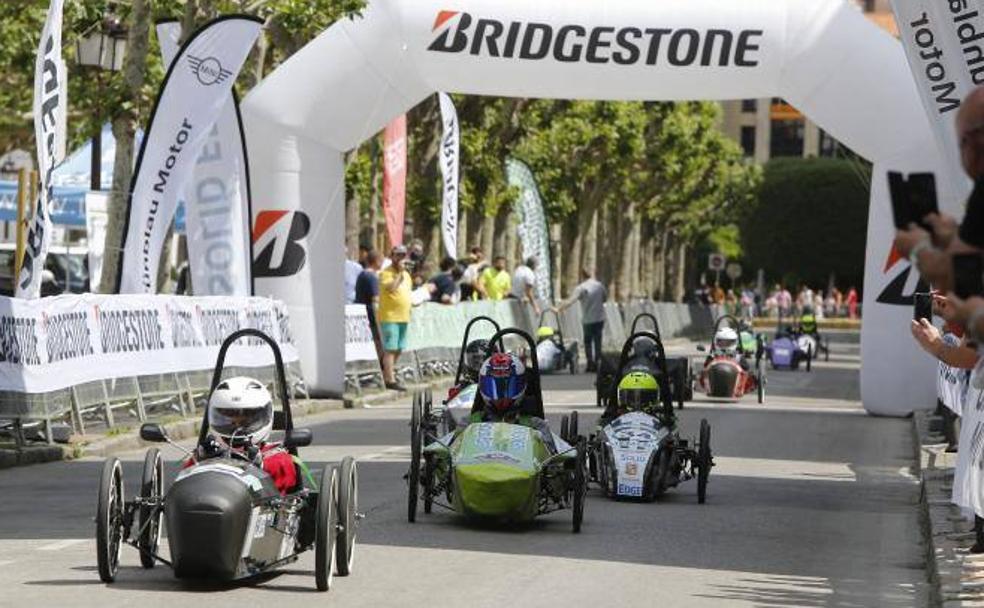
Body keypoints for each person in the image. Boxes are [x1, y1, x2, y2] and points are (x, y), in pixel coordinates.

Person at [183, 377, 306, 495]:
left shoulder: (275, 455)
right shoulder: (210, 451)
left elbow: (285, 475)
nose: (237, 428)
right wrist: (202, 461)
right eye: (230, 421)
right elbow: (185, 483)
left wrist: (259, 465)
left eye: (245, 422)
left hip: (262, 510)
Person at [471, 352, 556, 453]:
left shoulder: (536, 425)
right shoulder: (470, 423)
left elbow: (551, 454)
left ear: (522, 386)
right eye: (494, 388)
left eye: (508, 388)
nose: (501, 397)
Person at [556, 267, 608, 372]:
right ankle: (598, 362)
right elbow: (604, 298)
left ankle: (590, 364)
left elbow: (571, 301)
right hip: (599, 318)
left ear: (582, 275)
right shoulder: (599, 285)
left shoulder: (581, 288)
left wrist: (558, 309)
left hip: (588, 319)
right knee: (598, 341)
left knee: (588, 342)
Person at [378, 244, 413, 391]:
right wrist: (399, 273)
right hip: (390, 316)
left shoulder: (407, 275)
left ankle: (386, 370)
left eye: (403, 255)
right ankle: (389, 379)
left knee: (399, 348)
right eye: (398, 255)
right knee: (391, 348)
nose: (401, 258)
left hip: (403, 317)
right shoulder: (386, 273)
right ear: (392, 256)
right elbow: (391, 288)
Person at [355, 249, 383, 361]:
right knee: (377, 341)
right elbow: (376, 298)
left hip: (365, 313)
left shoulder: (363, 274)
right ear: (377, 261)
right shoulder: (371, 276)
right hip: (371, 315)